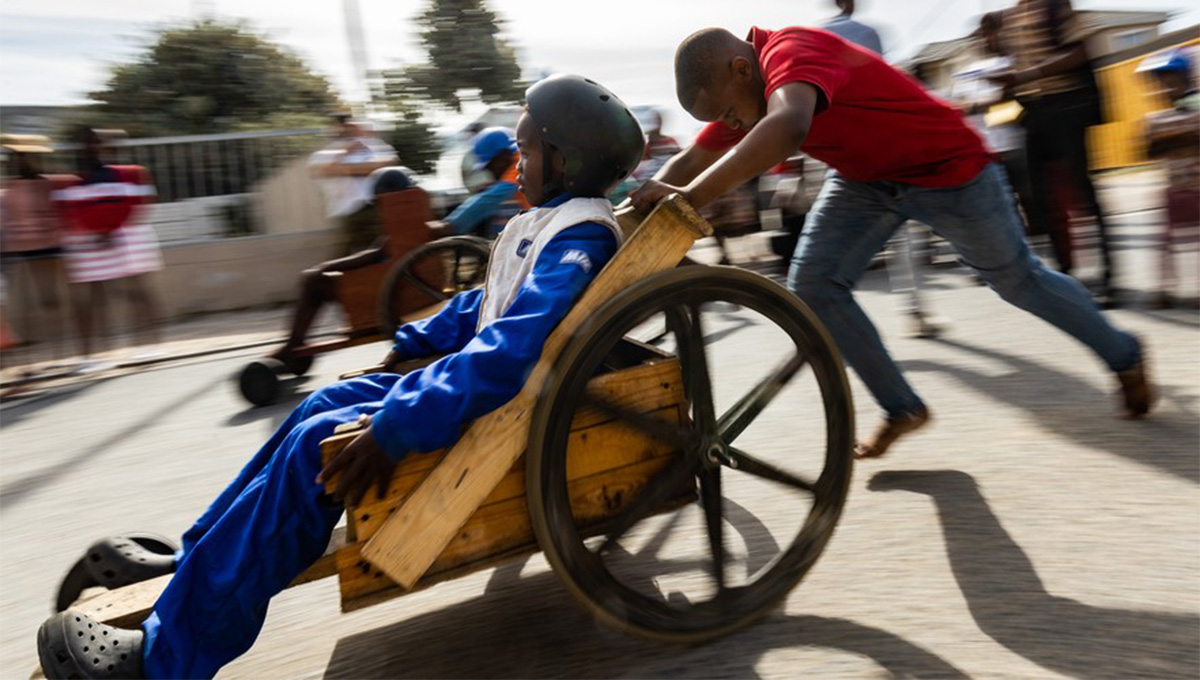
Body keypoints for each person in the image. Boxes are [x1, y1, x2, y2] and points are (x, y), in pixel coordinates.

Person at [37, 73, 645, 680]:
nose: (515, 165)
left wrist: (397, 420)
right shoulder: (542, 221)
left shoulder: (580, 235)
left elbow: (511, 347)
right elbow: (487, 305)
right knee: (318, 405)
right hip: (465, 384)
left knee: (314, 451)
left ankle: (165, 661)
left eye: (528, 151)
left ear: (567, 160)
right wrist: (409, 344)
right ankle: (195, 557)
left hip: (497, 407)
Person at [631, 27, 1152, 459]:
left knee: (1017, 279)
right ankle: (902, 408)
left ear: (741, 69)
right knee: (814, 286)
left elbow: (787, 126)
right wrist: (636, 204)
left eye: (728, 115)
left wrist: (690, 198)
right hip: (868, 182)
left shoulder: (789, 51)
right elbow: (688, 163)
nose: (735, 126)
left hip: (949, 171)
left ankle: (1125, 354)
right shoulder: (742, 90)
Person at [989, 0, 1115, 305]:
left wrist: (1027, 74)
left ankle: (1108, 278)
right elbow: (1018, 65)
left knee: (1082, 192)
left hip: (1066, 107)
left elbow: (1081, 50)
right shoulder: (1012, 14)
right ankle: (1065, 276)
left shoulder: (1056, 5)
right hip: (1034, 113)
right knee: (1040, 198)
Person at [266, 165, 419, 371]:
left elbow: (374, 255)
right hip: (400, 287)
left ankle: (292, 345)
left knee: (312, 281)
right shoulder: (417, 217)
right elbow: (379, 253)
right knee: (318, 278)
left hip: (384, 293)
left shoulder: (402, 221)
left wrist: (326, 266)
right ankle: (295, 344)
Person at [55, 127, 163, 369]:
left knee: (137, 291)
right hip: (88, 243)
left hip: (127, 238)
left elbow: (142, 204)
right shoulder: (72, 182)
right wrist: (94, 233)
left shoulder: (131, 174)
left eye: (95, 142)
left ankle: (149, 345)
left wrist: (113, 230)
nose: (90, 146)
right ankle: (92, 355)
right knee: (91, 298)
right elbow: (68, 213)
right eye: (86, 142)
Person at [1138, 48, 1199, 309]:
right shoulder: (1156, 119)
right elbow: (1148, 150)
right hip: (1175, 190)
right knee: (1165, 244)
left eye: (1170, 80)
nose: (1164, 88)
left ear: (1187, 78)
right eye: (1160, 83)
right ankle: (1165, 289)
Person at [0, 135, 70, 363]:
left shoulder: (47, 184)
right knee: (25, 303)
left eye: (19, 157)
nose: (14, 161)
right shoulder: (8, 187)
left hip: (48, 247)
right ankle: (30, 362)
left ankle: (59, 355)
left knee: (50, 301)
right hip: (18, 251)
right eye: (12, 157)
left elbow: (58, 214)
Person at [308, 115, 399, 254]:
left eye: (351, 125)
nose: (346, 128)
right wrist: (346, 154)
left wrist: (346, 169)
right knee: (350, 255)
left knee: (377, 252)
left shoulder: (374, 146)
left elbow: (389, 163)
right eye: (343, 125)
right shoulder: (325, 154)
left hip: (374, 207)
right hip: (347, 212)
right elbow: (325, 170)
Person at [429, 126, 529, 238]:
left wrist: (449, 225)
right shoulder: (525, 158)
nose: (492, 175)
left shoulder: (520, 166)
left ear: (503, 156)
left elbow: (492, 197)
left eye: (490, 167)